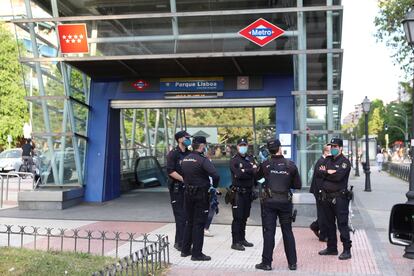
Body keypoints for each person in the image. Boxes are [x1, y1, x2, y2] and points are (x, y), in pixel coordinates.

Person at [255, 138, 302, 271]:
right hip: (285, 202)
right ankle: (292, 263)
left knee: (269, 232)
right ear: (280, 148)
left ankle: (267, 263)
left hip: (269, 202)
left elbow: (257, 178)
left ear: (269, 151)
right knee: (287, 231)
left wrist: (267, 179)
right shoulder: (290, 165)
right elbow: (297, 185)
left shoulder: (265, 165)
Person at [181, 136, 220, 261]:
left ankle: (185, 250)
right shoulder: (203, 160)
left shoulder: (185, 159)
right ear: (202, 146)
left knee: (189, 222)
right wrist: (214, 187)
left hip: (187, 194)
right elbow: (215, 175)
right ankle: (197, 254)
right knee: (199, 223)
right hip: (200, 195)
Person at [318, 138, 352, 260]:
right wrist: (329, 172)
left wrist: (326, 173)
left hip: (339, 198)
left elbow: (338, 177)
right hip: (326, 197)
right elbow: (318, 173)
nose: (333, 148)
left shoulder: (345, 162)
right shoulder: (327, 160)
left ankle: (347, 250)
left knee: (342, 224)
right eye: (331, 146)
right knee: (329, 224)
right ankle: (332, 248)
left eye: (335, 146)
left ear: (341, 148)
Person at [229, 138, 257, 251]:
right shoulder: (234, 160)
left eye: (244, 144)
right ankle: (235, 242)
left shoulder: (250, 158)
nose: (243, 146)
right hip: (238, 193)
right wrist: (250, 170)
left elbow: (256, 172)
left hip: (248, 192)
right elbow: (238, 175)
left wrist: (246, 171)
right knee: (237, 218)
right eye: (241, 145)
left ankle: (242, 239)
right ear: (237, 146)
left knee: (245, 217)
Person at [166, 130, 192, 251]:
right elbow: (170, 171)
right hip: (177, 189)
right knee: (180, 217)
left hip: (188, 189)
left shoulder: (189, 153)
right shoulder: (173, 154)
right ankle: (179, 243)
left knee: (188, 216)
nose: (188, 140)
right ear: (180, 139)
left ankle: (185, 241)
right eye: (186, 138)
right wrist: (184, 179)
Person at [309, 144, 330, 241]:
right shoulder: (322, 162)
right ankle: (323, 235)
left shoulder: (324, 161)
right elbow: (319, 178)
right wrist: (322, 191)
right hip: (320, 192)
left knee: (324, 212)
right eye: (330, 150)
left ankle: (315, 226)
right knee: (322, 213)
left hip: (321, 191)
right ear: (326, 152)